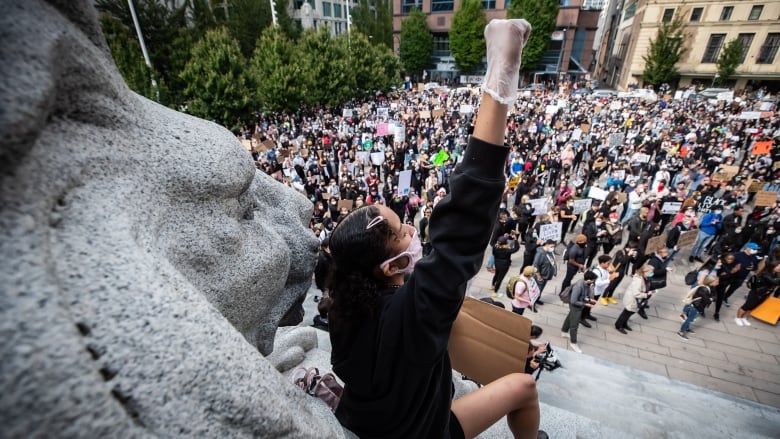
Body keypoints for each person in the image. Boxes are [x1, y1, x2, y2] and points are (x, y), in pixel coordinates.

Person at [326, 19, 542, 439]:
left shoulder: (341, 307)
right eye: (400, 231)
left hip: (366, 423)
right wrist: (501, 73)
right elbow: (462, 225)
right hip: (426, 432)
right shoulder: (414, 313)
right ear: (389, 268)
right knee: (524, 385)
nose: (411, 227)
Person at [560, 271, 598, 354]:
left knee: (570, 316)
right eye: (593, 280)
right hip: (576, 306)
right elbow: (573, 301)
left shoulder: (585, 284)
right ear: (588, 280)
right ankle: (573, 343)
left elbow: (583, 296)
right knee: (574, 325)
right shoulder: (579, 286)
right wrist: (586, 304)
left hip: (579, 305)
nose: (593, 282)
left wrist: (589, 300)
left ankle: (564, 331)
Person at [734, 260, 780, 326]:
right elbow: (775, 282)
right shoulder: (766, 274)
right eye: (778, 267)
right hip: (756, 293)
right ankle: (738, 318)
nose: (779, 268)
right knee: (746, 306)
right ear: (773, 266)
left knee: (753, 307)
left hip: (764, 294)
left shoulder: (775, 274)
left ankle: (744, 318)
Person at [615, 265, 654, 334]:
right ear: (644, 272)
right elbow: (636, 293)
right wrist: (646, 295)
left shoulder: (644, 277)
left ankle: (624, 323)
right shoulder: (638, 280)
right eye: (650, 272)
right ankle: (619, 325)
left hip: (635, 300)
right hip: (632, 300)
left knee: (630, 312)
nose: (651, 273)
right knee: (627, 313)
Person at [532, 239, 557, 303]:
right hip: (541, 276)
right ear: (547, 245)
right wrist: (538, 276)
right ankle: (532, 303)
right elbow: (535, 265)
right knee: (537, 289)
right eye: (552, 246)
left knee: (541, 289)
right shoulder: (540, 254)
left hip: (546, 275)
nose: (553, 248)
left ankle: (537, 299)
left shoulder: (549, 252)